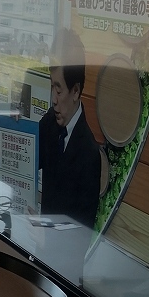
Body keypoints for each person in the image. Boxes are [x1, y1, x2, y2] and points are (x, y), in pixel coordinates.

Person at [38, 29, 101, 228]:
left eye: (58, 90)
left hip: (58, 245)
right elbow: (28, 161)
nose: (53, 100)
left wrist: (45, 233)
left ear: (75, 91)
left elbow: (81, 230)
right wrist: (18, 127)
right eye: (51, 87)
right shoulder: (48, 123)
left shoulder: (89, 154)